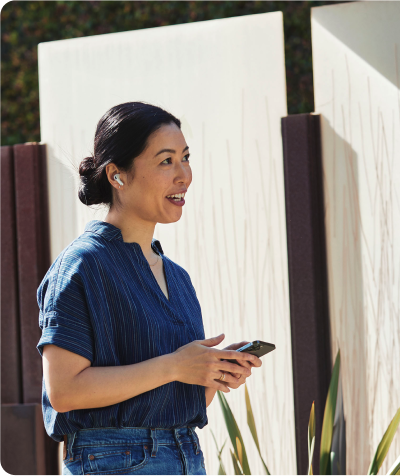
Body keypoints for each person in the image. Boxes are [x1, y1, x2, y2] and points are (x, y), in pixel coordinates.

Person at [36, 101, 262, 476]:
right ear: (117, 175)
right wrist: (174, 366)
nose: (184, 175)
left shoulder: (178, 278)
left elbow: (171, 399)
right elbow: (64, 392)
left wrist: (210, 372)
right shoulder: (82, 266)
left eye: (185, 158)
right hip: (115, 462)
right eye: (166, 161)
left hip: (187, 455)